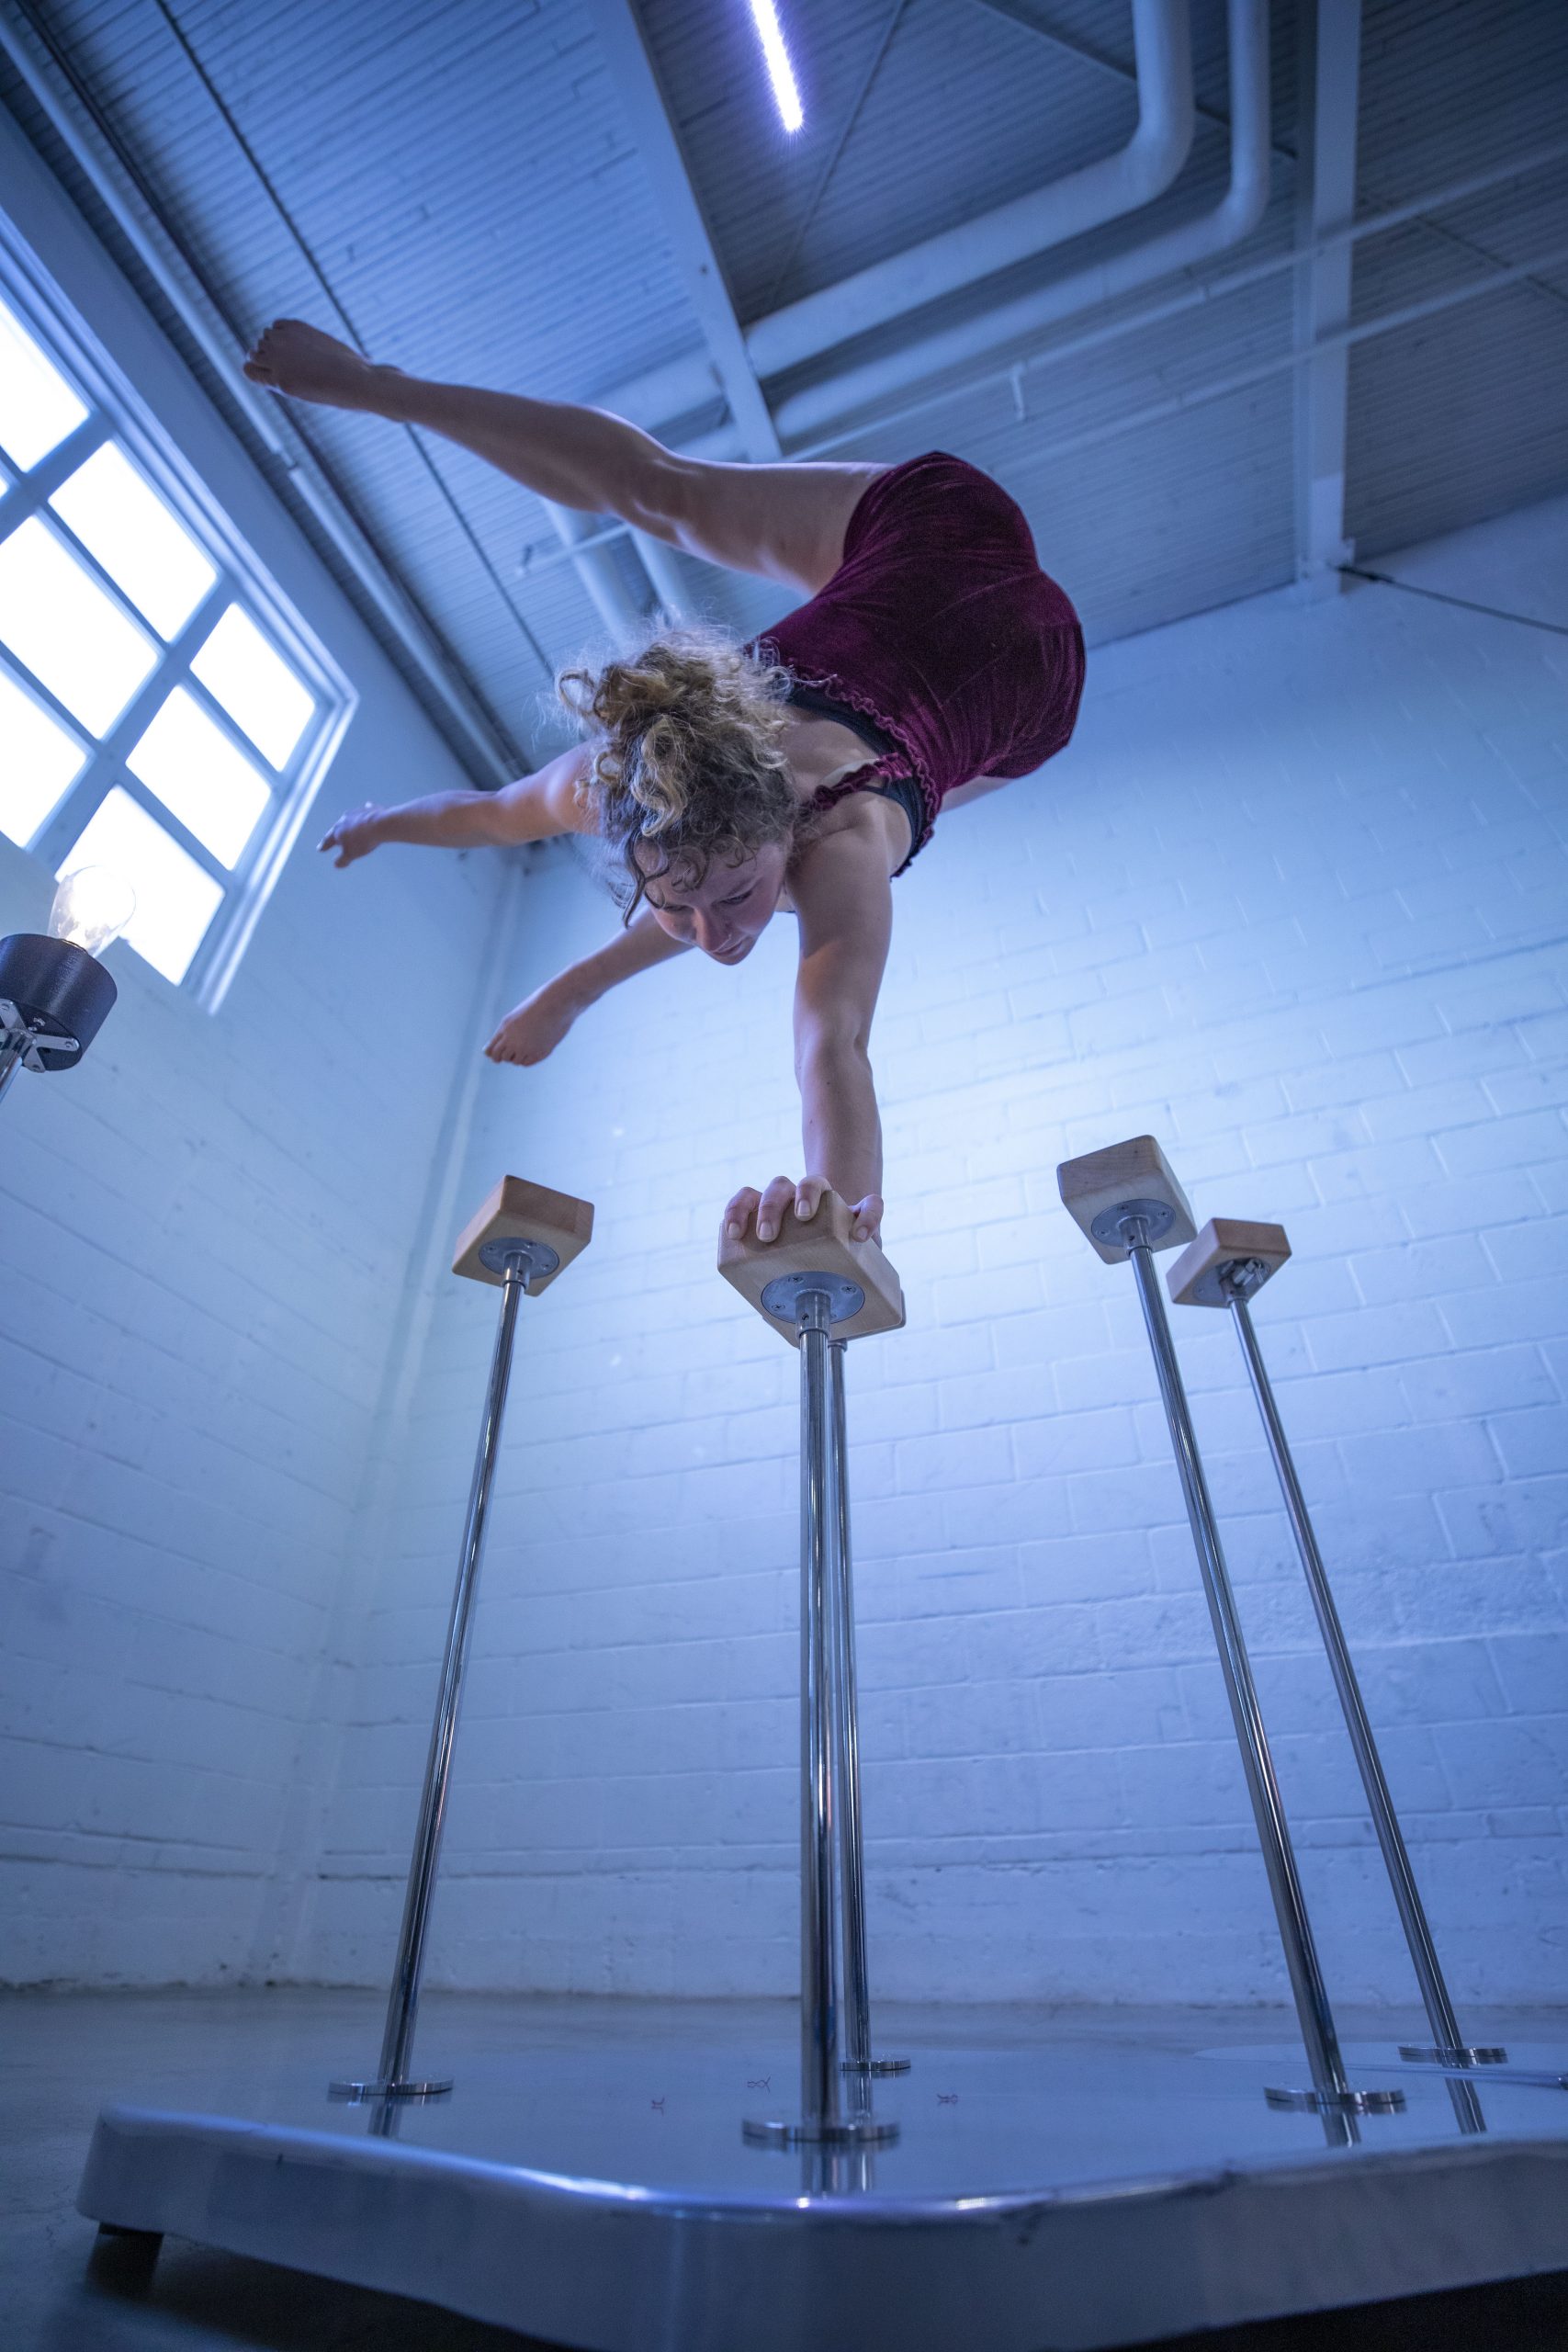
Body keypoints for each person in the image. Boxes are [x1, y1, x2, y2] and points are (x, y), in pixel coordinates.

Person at [243, 320, 1086, 1251]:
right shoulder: (614, 782)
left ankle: (376, 383)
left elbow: (832, 1046)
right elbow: (487, 814)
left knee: (666, 491)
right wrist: (382, 823)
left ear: (781, 832)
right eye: (675, 904)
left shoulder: (840, 844)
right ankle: (373, 385)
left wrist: (836, 1222)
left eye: (738, 891)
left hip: (1000, 626)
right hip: (942, 623)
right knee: (655, 493)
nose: (718, 938)